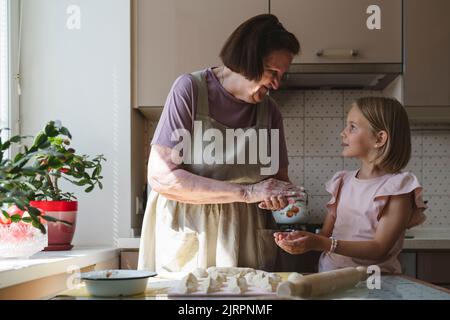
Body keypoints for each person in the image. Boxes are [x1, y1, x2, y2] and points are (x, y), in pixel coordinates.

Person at [138, 14, 302, 273]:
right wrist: (247, 193)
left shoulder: (270, 112)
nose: (277, 84)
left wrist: (281, 199)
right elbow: (162, 177)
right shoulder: (190, 90)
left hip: (246, 237)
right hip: (190, 233)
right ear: (246, 60)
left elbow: (280, 181)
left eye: (282, 75)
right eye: (272, 72)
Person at [274, 97, 427, 274]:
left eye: (352, 127)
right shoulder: (342, 182)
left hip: (374, 283)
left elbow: (379, 248)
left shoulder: (398, 188)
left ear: (379, 138)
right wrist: (297, 239)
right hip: (330, 275)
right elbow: (324, 235)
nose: (343, 133)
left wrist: (320, 243)